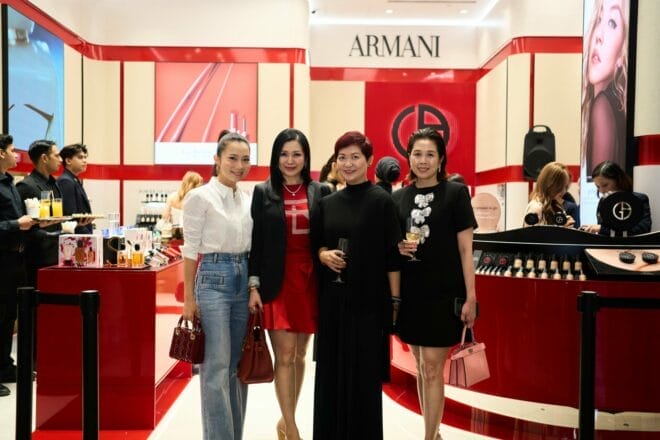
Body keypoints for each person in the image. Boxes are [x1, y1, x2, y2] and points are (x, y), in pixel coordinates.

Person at [311, 131, 401, 439]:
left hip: (368, 303)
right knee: (330, 376)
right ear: (335, 162)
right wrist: (323, 255)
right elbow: (316, 246)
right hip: (333, 303)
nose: (348, 164)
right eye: (342, 158)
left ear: (369, 161)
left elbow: (392, 257)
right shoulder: (326, 203)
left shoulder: (381, 201)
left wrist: (395, 301)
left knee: (364, 379)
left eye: (355, 157)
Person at [392, 128, 478, 440]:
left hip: (444, 292)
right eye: (417, 154)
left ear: (441, 159)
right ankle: (434, 431)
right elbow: (391, 244)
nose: (423, 160)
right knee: (420, 364)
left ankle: (429, 436)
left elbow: (466, 250)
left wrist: (471, 297)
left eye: (430, 154)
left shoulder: (455, 194)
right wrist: (398, 247)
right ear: (409, 157)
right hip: (411, 292)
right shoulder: (398, 197)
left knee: (431, 367)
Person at [247, 128, 330, 440]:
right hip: (276, 282)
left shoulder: (321, 191)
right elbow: (255, 243)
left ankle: (286, 420)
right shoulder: (263, 192)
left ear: (306, 157)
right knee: (284, 355)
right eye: (284, 154)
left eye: (297, 154)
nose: (290, 160)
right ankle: (293, 430)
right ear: (275, 157)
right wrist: (253, 285)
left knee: (299, 356)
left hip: (310, 281)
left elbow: (328, 234)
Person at [180, 132, 253, 439]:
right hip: (212, 279)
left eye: (245, 159)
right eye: (232, 158)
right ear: (217, 159)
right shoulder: (200, 197)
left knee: (238, 366)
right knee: (216, 367)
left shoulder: (247, 199)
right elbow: (189, 250)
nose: (239, 165)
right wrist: (188, 299)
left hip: (243, 278)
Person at [0, 134, 37, 395]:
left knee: (9, 316)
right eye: (13, 150)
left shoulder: (10, 183)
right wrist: (16, 224)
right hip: (2, 258)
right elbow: (9, 223)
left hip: (16, 258)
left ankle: (5, 366)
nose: (17, 155)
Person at [582, 0, 629, 176]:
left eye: (612, 23)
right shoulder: (614, 106)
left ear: (622, 54)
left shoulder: (602, 107)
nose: (598, 35)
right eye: (599, 19)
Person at [16, 139, 63, 288]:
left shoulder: (54, 184)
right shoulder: (26, 186)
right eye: (57, 155)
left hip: (57, 255)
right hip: (38, 258)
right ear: (44, 158)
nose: (61, 160)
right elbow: (22, 226)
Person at [580, 160, 652, 235]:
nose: (601, 191)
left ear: (618, 180)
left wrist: (602, 229)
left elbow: (643, 229)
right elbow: (603, 232)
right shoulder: (603, 201)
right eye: (597, 186)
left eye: (605, 185)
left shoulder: (640, 199)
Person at [522, 161, 576, 228]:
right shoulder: (536, 207)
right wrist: (562, 229)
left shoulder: (554, 205)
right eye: (560, 186)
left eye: (566, 187)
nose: (563, 191)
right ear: (550, 184)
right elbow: (530, 234)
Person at [57, 143, 95, 233]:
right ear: (68, 161)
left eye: (85, 157)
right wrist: (88, 236)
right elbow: (70, 217)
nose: (85, 161)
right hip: (76, 236)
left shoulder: (73, 179)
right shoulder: (66, 181)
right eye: (80, 157)